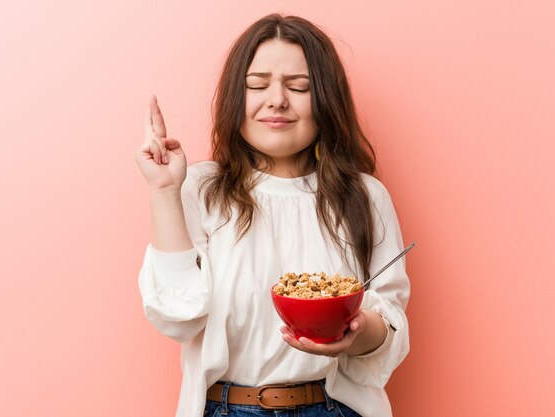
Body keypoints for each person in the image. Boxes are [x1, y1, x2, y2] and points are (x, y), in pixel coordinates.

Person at [135, 13, 410, 417]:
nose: (277, 99)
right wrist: (163, 191)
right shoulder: (201, 187)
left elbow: (390, 327)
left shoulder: (365, 197)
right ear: (235, 98)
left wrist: (352, 332)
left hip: (335, 406)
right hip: (228, 408)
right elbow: (179, 318)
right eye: (257, 85)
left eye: (298, 87)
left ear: (326, 100)